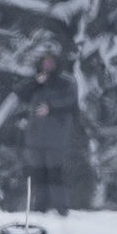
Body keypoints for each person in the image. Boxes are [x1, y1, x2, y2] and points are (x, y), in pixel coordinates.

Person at [18, 52, 75, 213]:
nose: (47, 66)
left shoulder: (65, 83)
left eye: (50, 62)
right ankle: (40, 207)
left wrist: (51, 108)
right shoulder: (37, 82)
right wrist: (35, 82)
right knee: (38, 174)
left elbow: (71, 103)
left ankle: (61, 207)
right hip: (35, 138)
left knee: (55, 173)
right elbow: (20, 93)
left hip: (56, 138)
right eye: (44, 62)